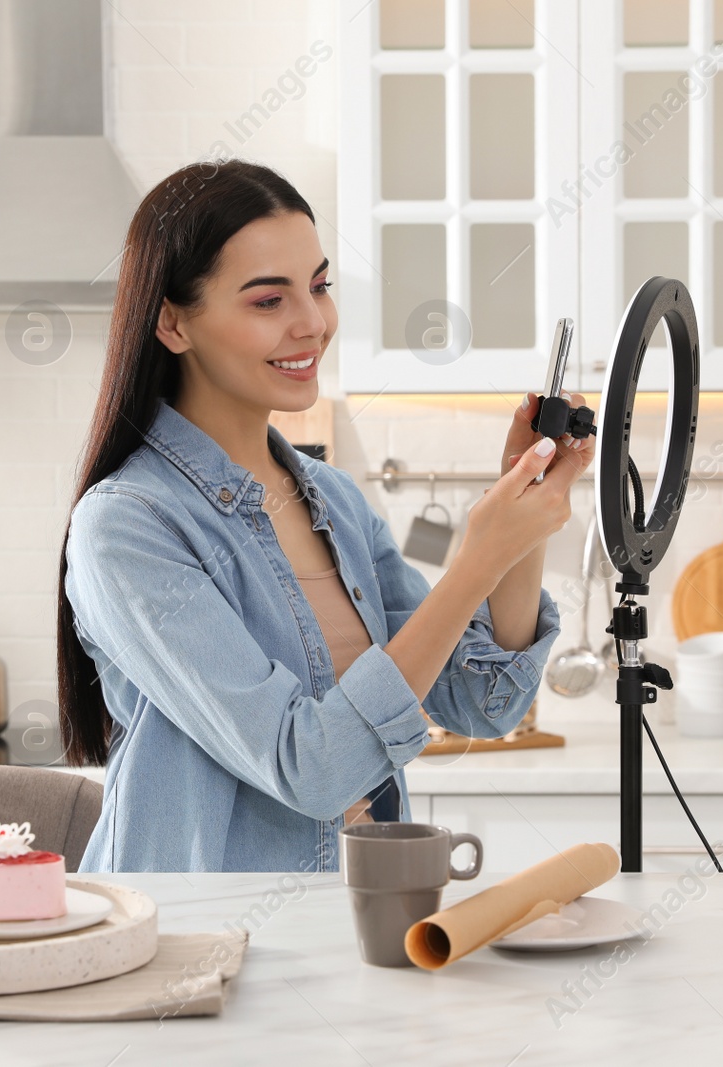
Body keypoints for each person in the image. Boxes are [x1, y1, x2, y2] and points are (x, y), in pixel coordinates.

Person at [57, 159, 593, 872]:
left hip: (353, 925)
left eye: (319, 286)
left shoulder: (332, 500)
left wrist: (524, 508)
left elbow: (480, 701)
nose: (313, 324)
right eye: (267, 301)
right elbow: (309, 768)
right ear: (173, 323)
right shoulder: (127, 525)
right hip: (195, 940)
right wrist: (477, 561)